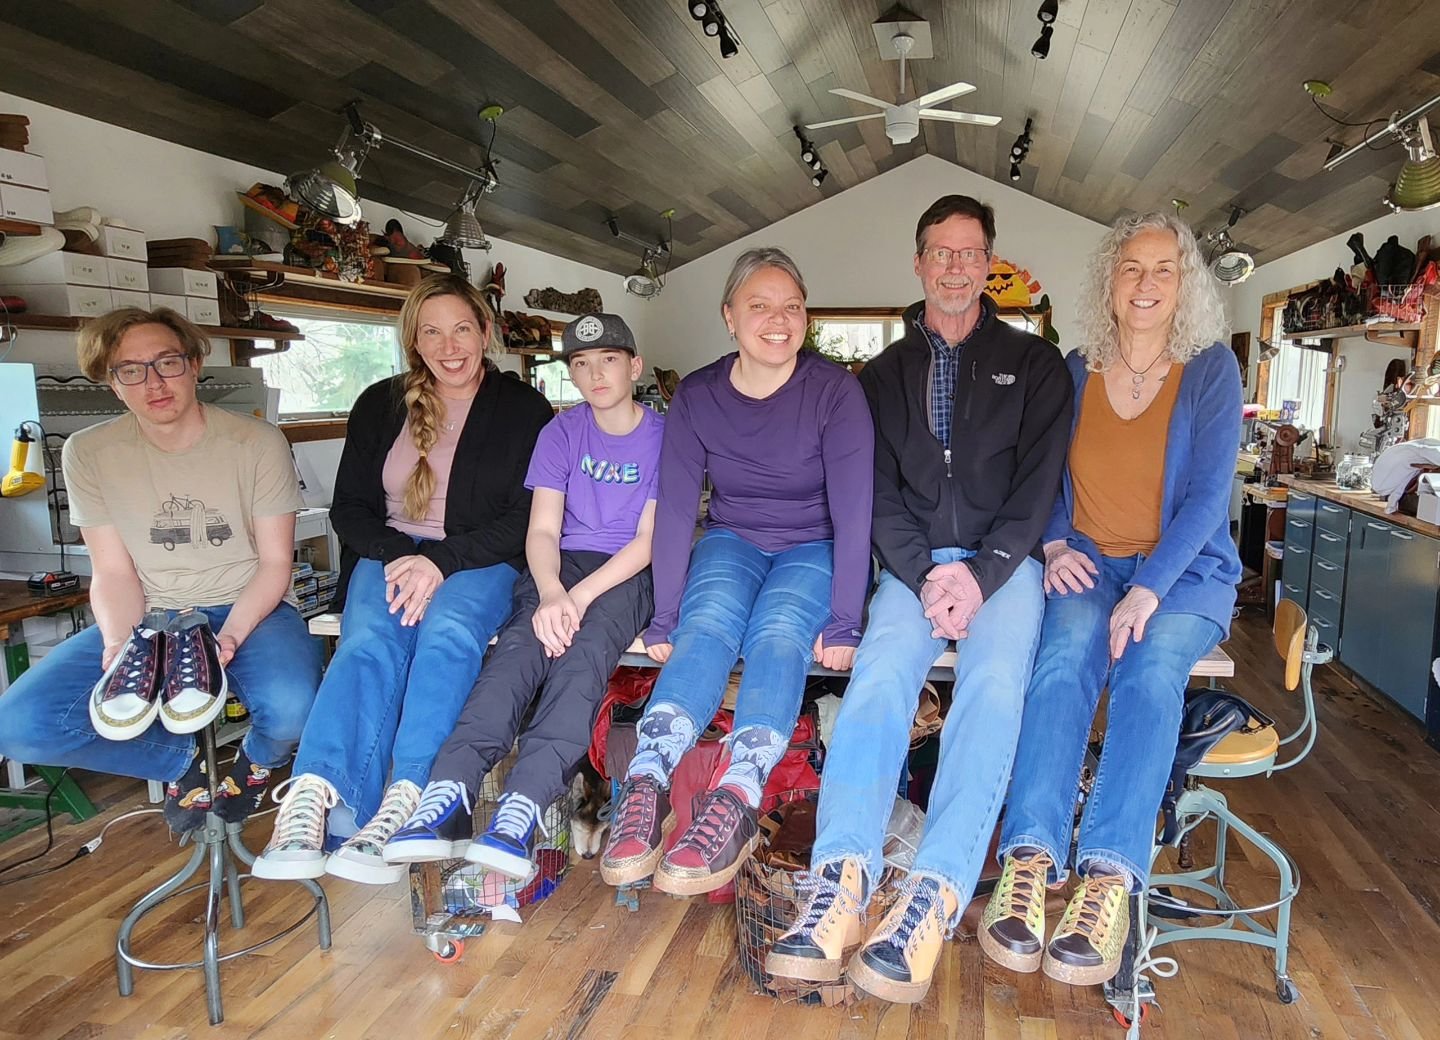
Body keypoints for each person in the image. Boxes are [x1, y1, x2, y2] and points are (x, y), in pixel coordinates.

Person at [766, 195, 1073, 1003]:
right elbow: (875, 492)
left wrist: (982, 572)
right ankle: (839, 882)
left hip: (1004, 569)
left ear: (990, 264)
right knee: (878, 679)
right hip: (910, 568)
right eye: (942, 252)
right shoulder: (881, 376)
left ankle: (933, 895)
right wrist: (924, 571)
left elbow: (1038, 488)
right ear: (919, 262)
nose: (956, 266)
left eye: (971, 253)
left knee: (994, 687)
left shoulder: (1035, 364)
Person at [979, 212, 1239, 987]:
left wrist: (1150, 590)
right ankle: (1029, 862)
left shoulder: (1211, 369)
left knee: (1150, 674)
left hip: (1185, 575)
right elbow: (1042, 469)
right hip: (1087, 561)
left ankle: (1108, 879)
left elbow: (1206, 498)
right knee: (1059, 667)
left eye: (1164, 269)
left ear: (1184, 284)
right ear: (1110, 280)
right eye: (1132, 267)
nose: (1148, 283)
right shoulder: (1074, 365)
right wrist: (1055, 541)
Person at [253, 274, 553, 885]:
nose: (450, 345)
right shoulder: (380, 402)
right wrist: (399, 555)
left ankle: (411, 800)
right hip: (390, 554)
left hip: (480, 558)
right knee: (367, 645)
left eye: (462, 328)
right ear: (413, 340)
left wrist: (440, 562)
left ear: (486, 332)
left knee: (446, 639)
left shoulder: (523, 409)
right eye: (432, 331)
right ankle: (317, 797)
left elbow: (529, 515)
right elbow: (349, 509)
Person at [599, 247, 873, 896]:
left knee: (778, 632)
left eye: (792, 307)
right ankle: (648, 781)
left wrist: (845, 618)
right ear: (729, 317)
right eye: (759, 306)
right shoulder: (696, 396)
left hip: (816, 542)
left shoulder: (835, 391)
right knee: (707, 626)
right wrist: (665, 612)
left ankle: (738, 795)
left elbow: (858, 509)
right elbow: (671, 510)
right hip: (732, 538)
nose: (777, 320)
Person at [0, 307, 320, 832]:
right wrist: (115, 643)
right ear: (111, 382)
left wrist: (232, 636)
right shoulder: (88, 452)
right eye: (131, 369)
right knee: (20, 724)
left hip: (247, 608)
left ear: (194, 364)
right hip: (149, 620)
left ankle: (255, 765)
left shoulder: (256, 442)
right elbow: (113, 570)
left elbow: (275, 562)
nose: (153, 382)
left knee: (292, 710)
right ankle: (184, 767)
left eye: (167, 362)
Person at [382, 313, 661, 879]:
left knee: (581, 663)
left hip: (624, 573)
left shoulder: (666, 437)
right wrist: (552, 591)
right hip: (556, 567)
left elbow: (650, 540)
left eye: (608, 359)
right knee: (516, 654)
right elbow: (540, 530)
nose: (595, 374)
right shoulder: (560, 432)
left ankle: (522, 805)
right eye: (580, 365)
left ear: (634, 365)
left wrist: (576, 600)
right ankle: (449, 791)